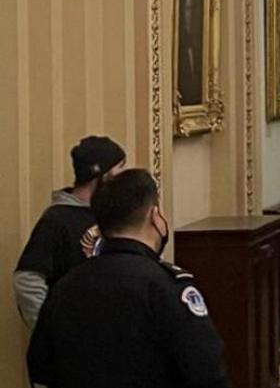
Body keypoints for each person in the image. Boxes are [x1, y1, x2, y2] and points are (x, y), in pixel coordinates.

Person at [26, 169, 230, 388]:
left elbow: (40, 370)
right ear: (154, 216)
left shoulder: (64, 287)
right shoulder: (167, 288)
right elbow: (208, 373)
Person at [14, 135, 127, 329]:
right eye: (119, 171)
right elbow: (27, 280)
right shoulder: (57, 220)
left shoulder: (111, 215)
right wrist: (51, 333)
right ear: (100, 175)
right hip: (74, 342)